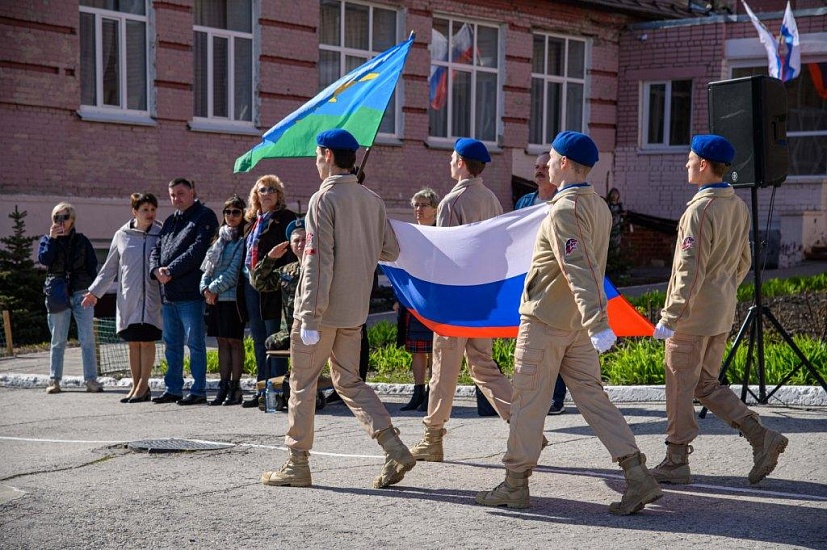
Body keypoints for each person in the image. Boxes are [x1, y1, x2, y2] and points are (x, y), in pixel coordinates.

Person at [475, 131, 662, 515]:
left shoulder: (564, 210)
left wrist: (599, 322)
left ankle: (515, 484)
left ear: (564, 163)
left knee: (527, 402)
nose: (547, 163)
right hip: (574, 325)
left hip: (547, 322)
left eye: (553, 157)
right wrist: (592, 322)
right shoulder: (598, 206)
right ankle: (637, 474)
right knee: (594, 399)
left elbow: (580, 268)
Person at [259, 129, 413, 489]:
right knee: (349, 381)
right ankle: (393, 446)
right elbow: (390, 251)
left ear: (327, 155)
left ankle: (297, 463)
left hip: (320, 310)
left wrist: (310, 314)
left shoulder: (322, 199)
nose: (316, 161)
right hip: (354, 311)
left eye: (316, 155)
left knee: (303, 384)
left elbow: (316, 261)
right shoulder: (371, 199)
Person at [651, 134, 788, 485]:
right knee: (705, 385)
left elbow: (689, 270)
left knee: (681, 387)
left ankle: (676, 460)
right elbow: (744, 262)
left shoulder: (700, 210)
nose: (686, 164)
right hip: (720, 312)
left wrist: (671, 316)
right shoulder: (736, 205)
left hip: (692, 317)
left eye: (690, 158)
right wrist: (722, 292)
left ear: (703, 164)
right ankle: (760, 436)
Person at [409, 138, 513, 462]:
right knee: (483, 366)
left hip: (457, 300)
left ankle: (432, 437)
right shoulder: (492, 199)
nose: (449, 163)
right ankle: (526, 427)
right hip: (484, 299)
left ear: (463, 163)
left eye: (453, 158)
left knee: (443, 368)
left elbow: (445, 255)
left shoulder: (451, 202)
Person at [83, 193, 162, 403]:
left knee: (147, 341)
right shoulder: (122, 235)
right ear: (134, 212)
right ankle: (137, 386)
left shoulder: (161, 233)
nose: (150, 214)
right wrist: (94, 292)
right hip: (129, 298)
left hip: (152, 298)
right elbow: (109, 268)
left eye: (153, 209)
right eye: (145, 210)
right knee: (133, 342)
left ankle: (144, 385)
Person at [149, 178, 218, 405]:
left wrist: (171, 270)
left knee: (195, 343)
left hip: (190, 294)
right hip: (169, 293)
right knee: (172, 345)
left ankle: (198, 390)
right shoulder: (169, 221)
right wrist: (155, 270)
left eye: (180, 193)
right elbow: (156, 249)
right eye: (172, 195)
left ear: (192, 192)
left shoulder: (204, 216)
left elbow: (198, 250)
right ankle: (174, 388)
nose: (176, 198)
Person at [515, 152, 568, 416]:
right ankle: (534, 396)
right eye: (536, 167)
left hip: (553, 280)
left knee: (553, 338)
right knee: (531, 342)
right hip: (526, 278)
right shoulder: (525, 201)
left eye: (544, 166)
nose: (539, 171)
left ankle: (556, 396)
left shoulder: (561, 201)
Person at [241, 175, 297, 408]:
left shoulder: (285, 218)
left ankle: (276, 389)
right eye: (262, 189)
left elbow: (293, 251)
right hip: (250, 283)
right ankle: (261, 388)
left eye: (272, 189)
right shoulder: (252, 221)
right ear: (256, 194)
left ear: (279, 194)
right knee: (257, 337)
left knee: (274, 338)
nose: (267, 193)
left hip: (274, 285)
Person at [38, 202, 102, 394]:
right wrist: (52, 239)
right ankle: (54, 381)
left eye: (65, 217)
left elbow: (93, 265)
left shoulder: (82, 241)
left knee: (87, 339)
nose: (61, 221)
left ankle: (91, 380)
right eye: (57, 217)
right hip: (58, 294)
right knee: (58, 340)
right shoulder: (47, 240)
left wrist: (93, 290)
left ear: (72, 219)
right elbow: (44, 260)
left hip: (82, 292)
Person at [200, 195, 248, 406]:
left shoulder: (242, 240)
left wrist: (212, 288)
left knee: (234, 342)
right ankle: (223, 385)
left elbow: (233, 272)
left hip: (232, 300)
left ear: (243, 214)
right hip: (214, 301)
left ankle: (235, 388)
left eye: (236, 212)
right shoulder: (218, 239)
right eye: (227, 212)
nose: (231, 216)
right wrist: (204, 288)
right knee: (221, 342)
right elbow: (206, 268)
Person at [395, 187, 439, 412]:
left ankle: (432, 392)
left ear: (435, 209)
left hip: (433, 298)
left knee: (433, 348)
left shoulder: (441, 233)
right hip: (412, 298)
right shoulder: (409, 234)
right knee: (416, 348)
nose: (418, 210)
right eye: (416, 205)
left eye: (423, 205)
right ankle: (417, 391)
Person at [251, 218, 306, 365]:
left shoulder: (322, 268)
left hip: (315, 331)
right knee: (269, 342)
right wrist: (269, 258)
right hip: (289, 334)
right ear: (291, 245)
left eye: (305, 239)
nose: (301, 244)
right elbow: (259, 283)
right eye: (296, 241)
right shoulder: (288, 271)